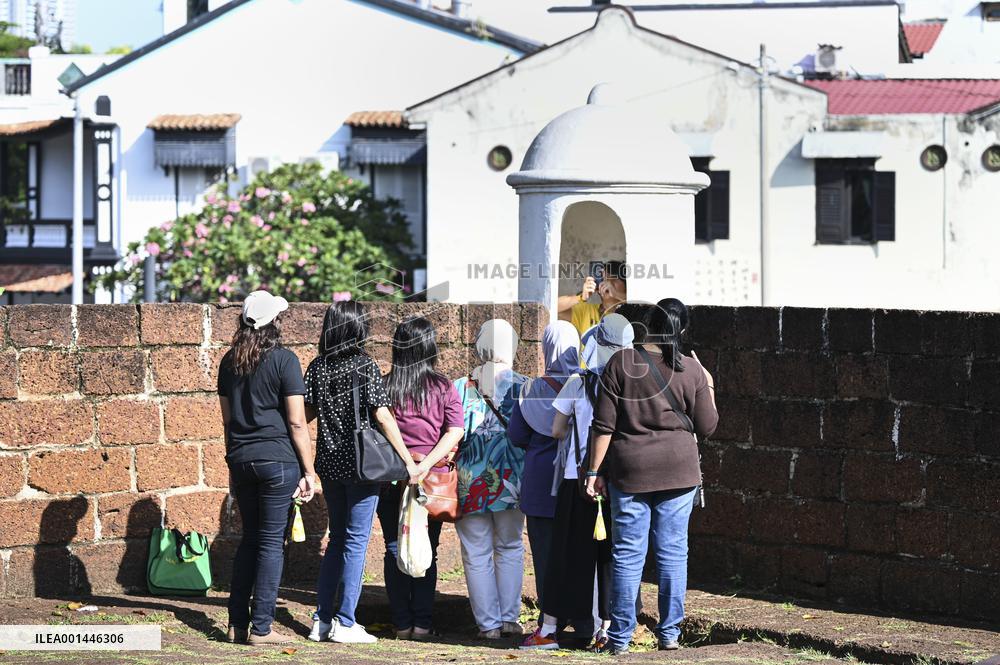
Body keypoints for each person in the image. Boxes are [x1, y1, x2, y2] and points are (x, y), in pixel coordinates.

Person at [586, 299, 719, 655]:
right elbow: (708, 426)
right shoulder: (692, 369)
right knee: (673, 552)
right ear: (681, 329)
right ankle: (670, 633)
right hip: (679, 470)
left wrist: (594, 471)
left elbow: (603, 426)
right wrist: (708, 385)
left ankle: (620, 638)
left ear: (646, 325)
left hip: (631, 471)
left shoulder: (620, 363)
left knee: (628, 554)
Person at [304, 301, 422, 644]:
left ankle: (321, 620)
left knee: (337, 539)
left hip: (330, 464)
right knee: (356, 542)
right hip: (362, 466)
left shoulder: (317, 367)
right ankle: (345, 621)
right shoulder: (364, 365)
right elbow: (383, 416)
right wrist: (408, 461)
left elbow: (306, 414)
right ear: (357, 328)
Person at [520, 313, 634, 651]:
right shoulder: (630, 383)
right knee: (609, 558)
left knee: (566, 557)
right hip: (615, 480)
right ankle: (606, 630)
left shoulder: (578, 382)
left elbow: (557, 429)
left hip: (577, 478)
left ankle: (549, 629)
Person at [216, 290, 316, 646]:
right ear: (274, 322)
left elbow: (228, 422)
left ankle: (236, 624)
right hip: (277, 461)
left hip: (242, 459)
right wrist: (309, 471)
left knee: (250, 540)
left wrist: (233, 460)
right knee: (272, 544)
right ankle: (261, 628)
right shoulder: (285, 360)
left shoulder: (228, 362)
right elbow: (297, 422)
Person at [376, 316, 465, 641]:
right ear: (429, 347)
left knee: (393, 548)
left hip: (392, 479)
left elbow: (378, 429)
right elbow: (455, 430)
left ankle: (402, 624)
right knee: (429, 548)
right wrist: (425, 465)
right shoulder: (443, 387)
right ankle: (423, 625)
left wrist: (408, 464)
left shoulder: (385, 385)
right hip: (432, 481)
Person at [454, 319, 527, 640]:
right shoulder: (525, 386)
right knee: (510, 545)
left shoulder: (460, 386)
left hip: (470, 480)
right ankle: (510, 618)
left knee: (476, 551)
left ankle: (488, 625)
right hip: (514, 479)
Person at [507, 321, 580, 621]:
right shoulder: (586, 384)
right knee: (578, 553)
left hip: (539, 480)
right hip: (576, 480)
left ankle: (549, 621)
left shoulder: (530, 389)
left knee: (545, 555)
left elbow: (516, 435)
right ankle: (581, 617)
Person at [556, 261, 628, 338]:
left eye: (613, 279)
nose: (607, 283)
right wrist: (581, 297)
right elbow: (554, 307)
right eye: (604, 279)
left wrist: (616, 294)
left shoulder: (630, 312)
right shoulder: (587, 311)